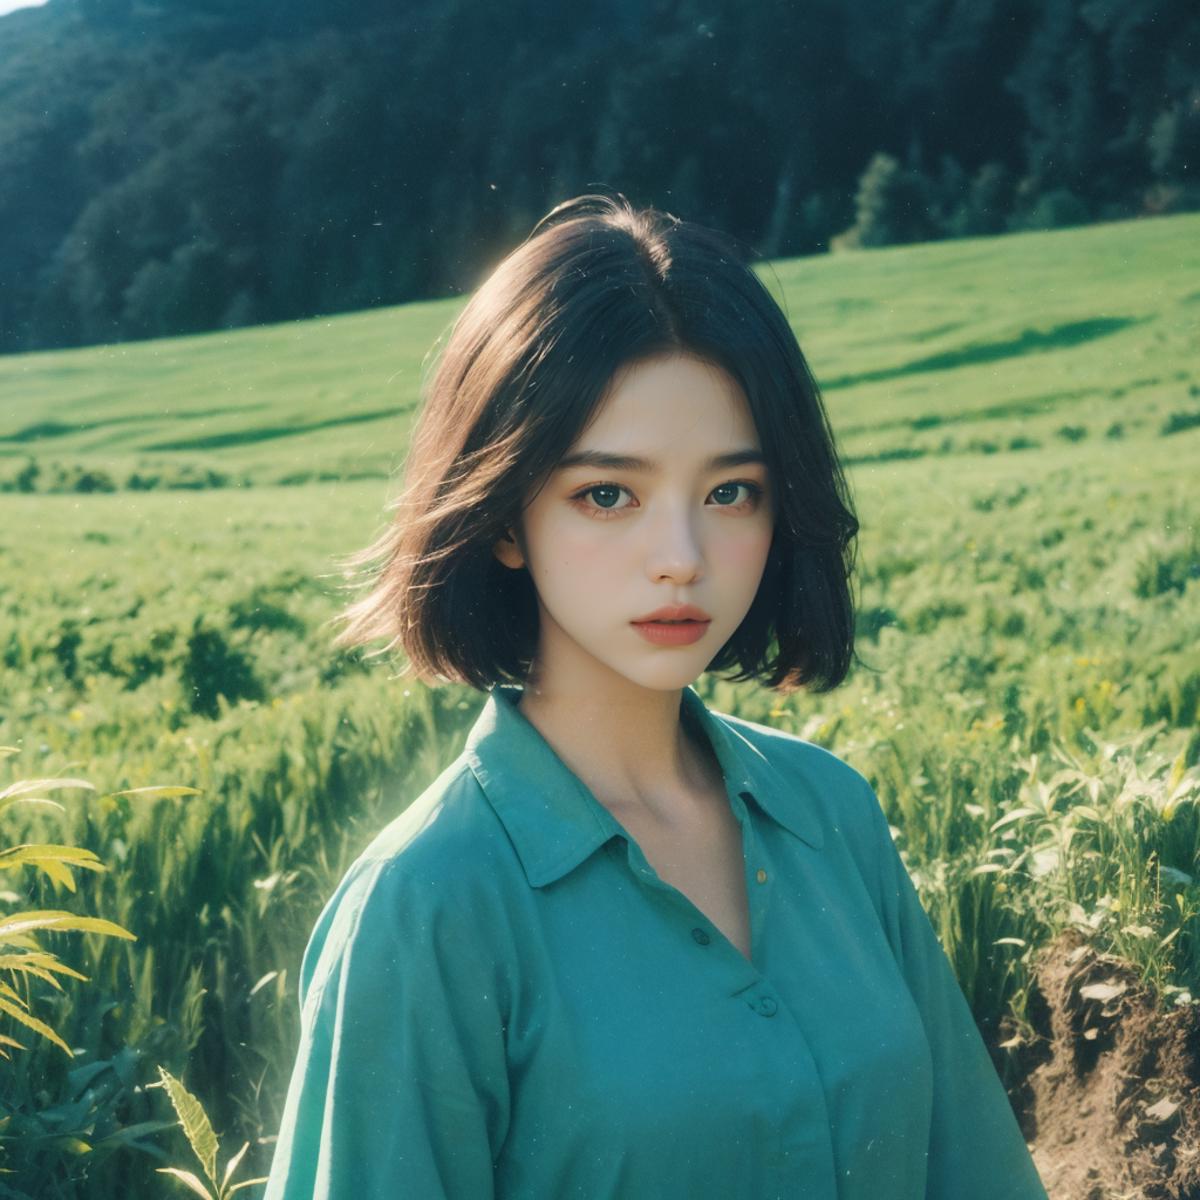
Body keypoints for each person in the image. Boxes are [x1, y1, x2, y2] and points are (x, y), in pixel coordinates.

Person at [262, 192, 1048, 1199]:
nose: (680, 559)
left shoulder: (829, 811)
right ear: (504, 518)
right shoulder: (428, 905)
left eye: (730, 492)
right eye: (607, 495)